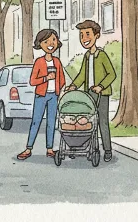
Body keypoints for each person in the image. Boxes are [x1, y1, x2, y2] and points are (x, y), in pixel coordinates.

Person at [67, 19, 116, 162]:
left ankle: (107, 150)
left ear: (97, 36)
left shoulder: (101, 55)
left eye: (87, 34)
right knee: (86, 121)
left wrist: (101, 86)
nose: (84, 39)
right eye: (82, 35)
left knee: (103, 122)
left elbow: (111, 74)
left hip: (102, 94)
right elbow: (82, 74)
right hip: (88, 94)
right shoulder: (87, 56)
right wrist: (73, 86)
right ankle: (85, 147)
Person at [17, 28, 66, 160]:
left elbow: (62, 79)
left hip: (53, 96)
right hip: (41, 96)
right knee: (36, 121)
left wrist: (59, 91)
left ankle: (49, 149)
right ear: (41, 44)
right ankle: (28, 149)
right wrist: (46, 78)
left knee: (51, 122)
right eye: (46, 41)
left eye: (54, 40)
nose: (51, 43)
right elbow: (33, 81)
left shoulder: (57, 62)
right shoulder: (39, 62)